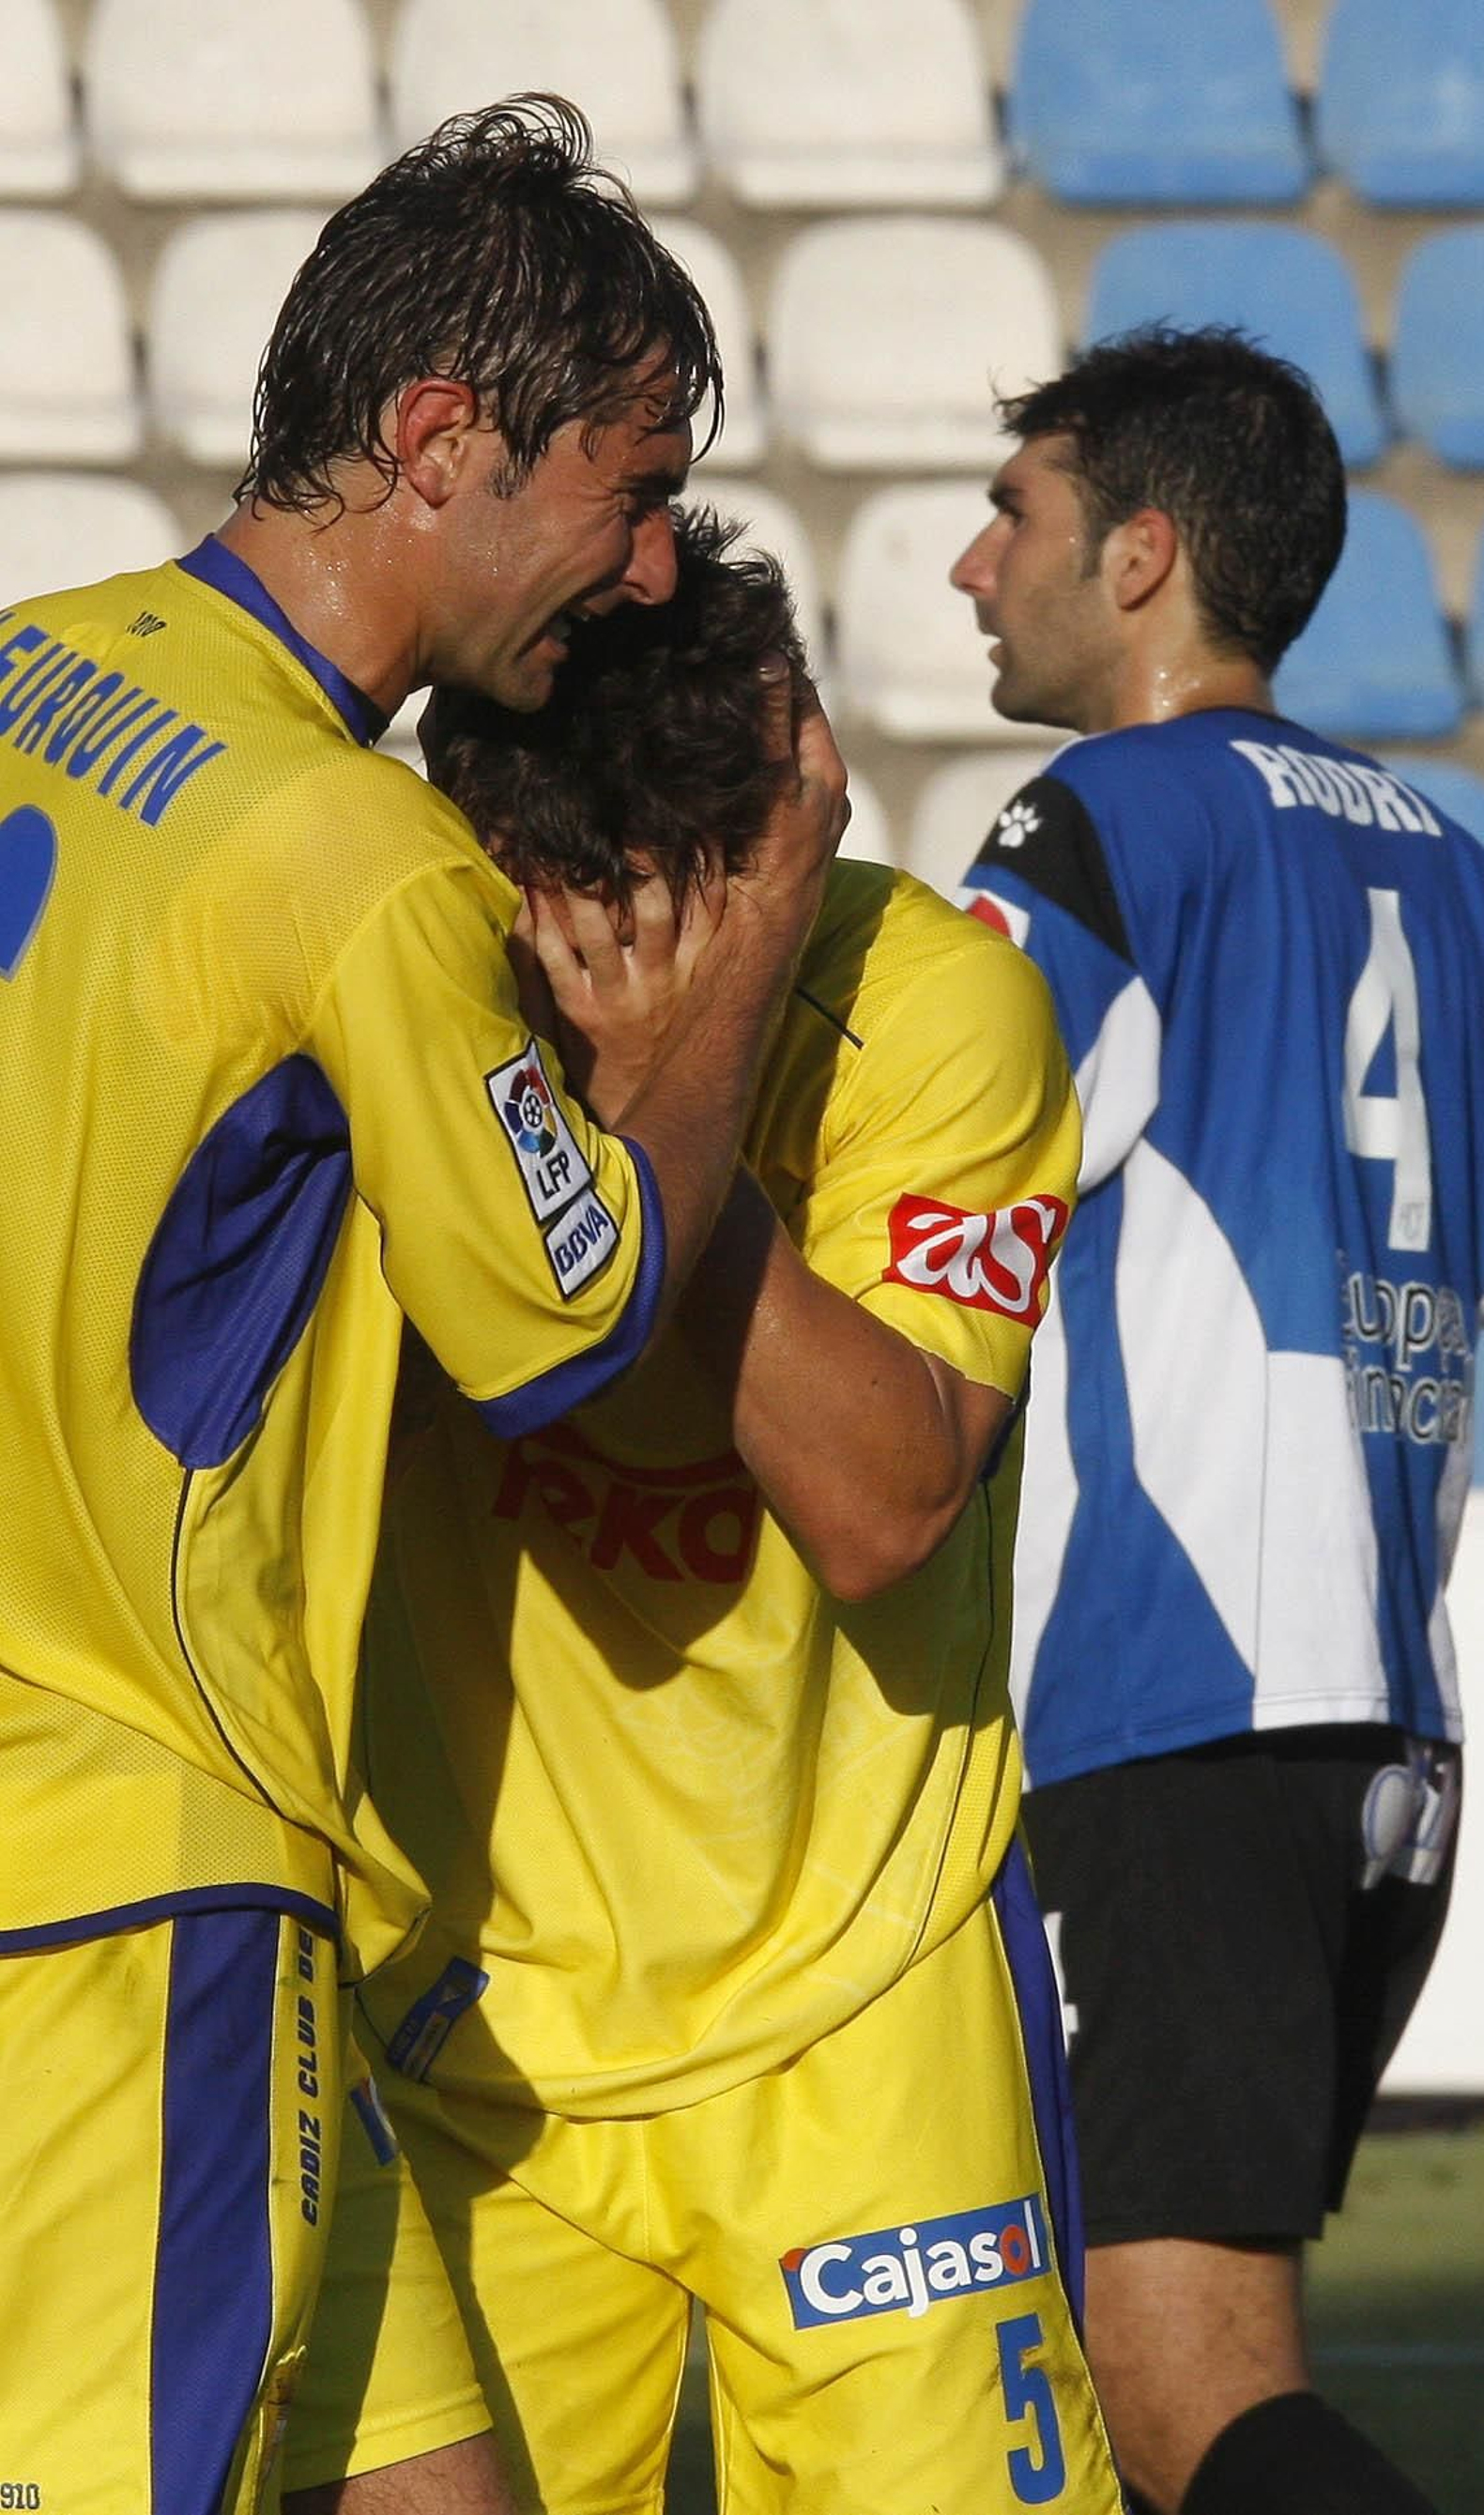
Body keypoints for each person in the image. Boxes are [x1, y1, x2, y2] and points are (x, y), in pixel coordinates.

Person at [0, 102, 848, 2514]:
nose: (658, 564)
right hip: (131, 1859)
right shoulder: (351, 855)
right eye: (632, 484)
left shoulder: (36, 665)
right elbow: (564, 1328)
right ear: (437, 441)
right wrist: (747, 957)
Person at [283, 508, 1124, 2514]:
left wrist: (683, 1065)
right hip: (469, 2020)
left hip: (855, 2002)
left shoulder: (933, 1011)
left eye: (724, 887)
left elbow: (888, 1503)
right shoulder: (399, 986)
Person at [949, 323, 1484, 2515]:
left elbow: (928, 1175)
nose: (970, 573)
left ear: (1143, 555)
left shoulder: (1094, 825)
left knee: (1173, 2376)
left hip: (1175, 1713)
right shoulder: (1456, 876)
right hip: (1385, 1739)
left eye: (1015, 520)